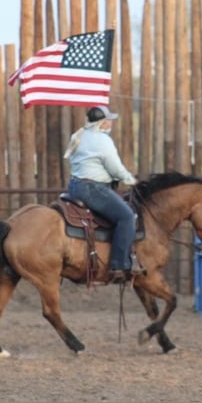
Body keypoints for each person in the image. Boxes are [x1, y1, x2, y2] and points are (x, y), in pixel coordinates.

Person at [64, 105, 144, 282]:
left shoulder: (78, 135)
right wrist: (130, 180)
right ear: (101, 123)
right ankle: (119, 265)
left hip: (75, 186)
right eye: (108, 120)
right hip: (93, 189)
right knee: (127, 217)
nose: (111, 123)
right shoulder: (102, 141)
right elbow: (115, 167)